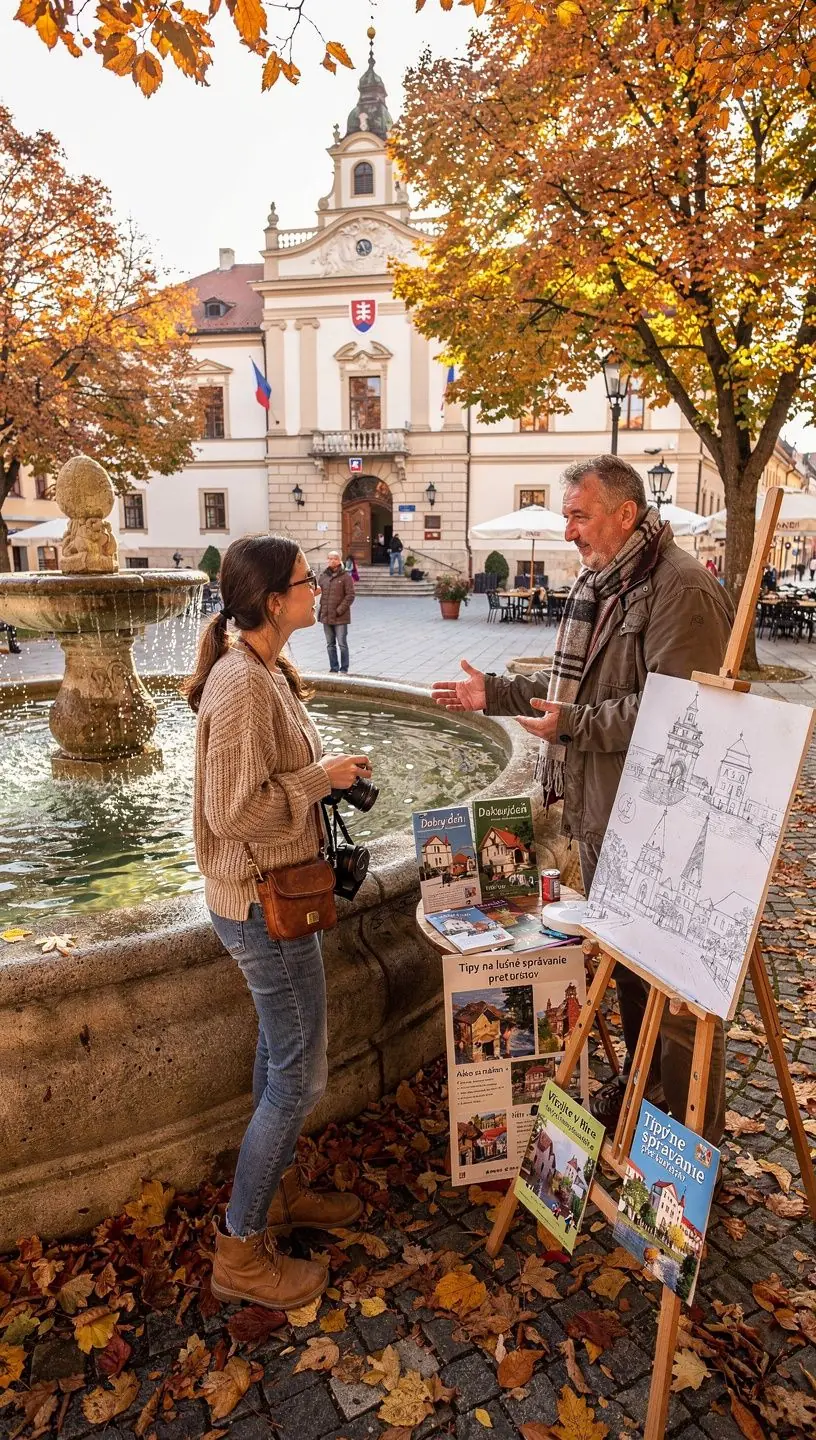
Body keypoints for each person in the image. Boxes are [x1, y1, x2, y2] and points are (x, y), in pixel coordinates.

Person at [431, 455, 733, 1145]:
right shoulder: (608, 584)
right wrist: (499, 696)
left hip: (661, 826)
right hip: (606, 814)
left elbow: (675, 717)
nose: (568, 529)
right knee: (631, 977)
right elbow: (579, 693)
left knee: (675, 994)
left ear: (626, 514)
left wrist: (571, 726)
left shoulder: (679, 589)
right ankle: (643, 1104)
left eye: (578, 514)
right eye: (565, 514)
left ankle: (686, 1143)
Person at [185, 535, 372, 1309]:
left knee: (279, 1059)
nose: (317, 586)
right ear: (273, 601)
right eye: (306, 580)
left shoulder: (263, 672)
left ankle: (278, 1192)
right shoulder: (240, 685)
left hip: (274, 898)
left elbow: (266, 787)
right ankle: (240, 1252)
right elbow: (233, 814)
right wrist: (315, 780)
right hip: (261, 907)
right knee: (300, 1075)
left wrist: (328, 781)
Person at [318, 551, 355, 673]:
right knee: (330, 645)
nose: (332, 561)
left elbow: (350, 595)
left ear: (339, 560)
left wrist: (339, 610)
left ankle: (344, 669)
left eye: (334, 558)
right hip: (326, 616)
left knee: (342, 644)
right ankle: (333, 668)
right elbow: (318, 592)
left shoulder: (346, 577)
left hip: (340, 617)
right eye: (329, 558)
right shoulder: (323, 576)